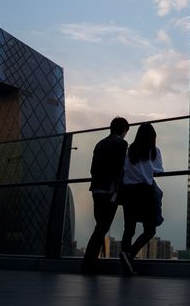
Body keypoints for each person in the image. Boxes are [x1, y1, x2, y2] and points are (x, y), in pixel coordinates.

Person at [81, 116, 129, 274]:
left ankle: (91, 261)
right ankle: (89, 263)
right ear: (124, 130)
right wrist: (118, 191)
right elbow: (120, 169)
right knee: (102, 227)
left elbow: (93, 169)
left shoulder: (100, 143)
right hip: (110, 191)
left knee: (100, 226)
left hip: (96, 189)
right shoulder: (121, 144)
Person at [118, 122, 164, 276]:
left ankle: (126, 261)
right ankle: (129, 254)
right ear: (153, 136)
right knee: (150, 230)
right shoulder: (154, 151)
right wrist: (149, 170)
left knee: (128, 229)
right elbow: (159, 170)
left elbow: (124, 169)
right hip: (145, 192)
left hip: (128, 192)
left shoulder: (131, 150)